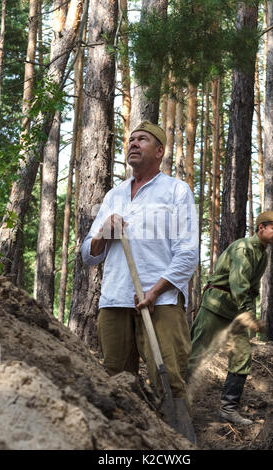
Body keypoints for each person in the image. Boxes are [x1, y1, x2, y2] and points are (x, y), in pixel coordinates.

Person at [81, 121, 198, 404]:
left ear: (159, 151)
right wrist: (102, 233)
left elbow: (187, 254)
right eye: (131, 139)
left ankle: (174, 442)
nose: (133, 143)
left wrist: (154, 292)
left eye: (142, 139)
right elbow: (88, 254)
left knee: (170, 380)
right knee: (116, 382)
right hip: (114, 299)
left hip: (162, 302)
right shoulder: (113, 196)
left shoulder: (176, 191)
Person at [188, 211, 273, 425]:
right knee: (197, 355)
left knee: (242, 357)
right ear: (261, 228)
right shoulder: (244, 248)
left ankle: (228, 409)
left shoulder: (262, 253)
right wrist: (249, 315)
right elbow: (238, 284)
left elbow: (251, 289)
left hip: (237, 313)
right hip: (216, 307)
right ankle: (176, 402)